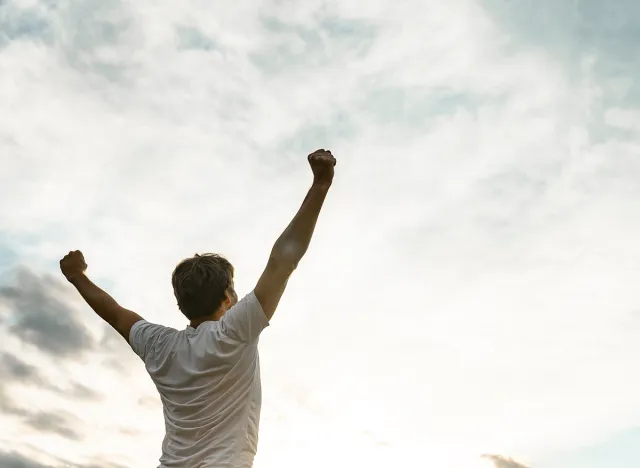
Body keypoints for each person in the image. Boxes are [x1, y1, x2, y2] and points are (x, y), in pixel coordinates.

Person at [59, 149, 337, 468]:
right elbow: (282, 262)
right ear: (228, 297)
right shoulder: (235, 332)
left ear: (181, 303)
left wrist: (76, 276)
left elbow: (113, 312)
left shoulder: (158, 345)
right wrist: (320, 185)